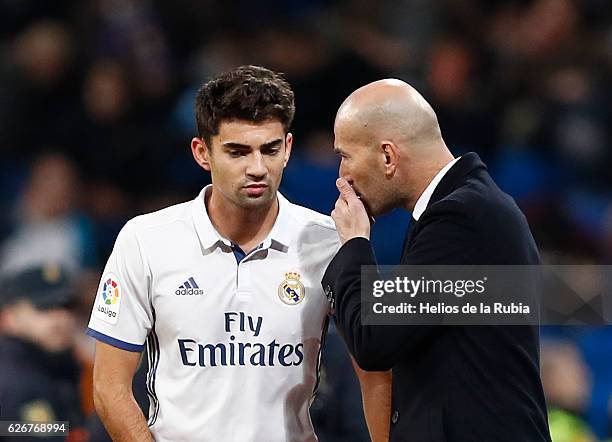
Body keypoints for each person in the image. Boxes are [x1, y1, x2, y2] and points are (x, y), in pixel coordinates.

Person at [87, 65, 390, 441]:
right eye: (237, 152)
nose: (257, 168)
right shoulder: (145, 240)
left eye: (270, 149)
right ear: (202, 152)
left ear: (288, 149)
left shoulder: (331, 242)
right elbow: (109, 388)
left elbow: (375, 372)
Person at [322, 79, 552, 441]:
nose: (342, 176)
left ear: (387, 156)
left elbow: (374, 340)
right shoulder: (467, 209)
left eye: (345, 156)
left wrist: (353, 243)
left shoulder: (463, 218)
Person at [0, 264, 86, 441]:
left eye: (67, 306)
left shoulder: (63, 364)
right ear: (10, 316)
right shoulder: (15, 382)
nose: (60, 317)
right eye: (44, 308)